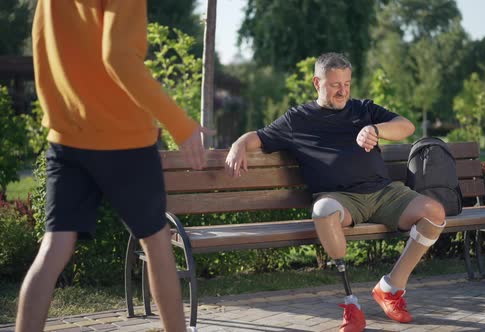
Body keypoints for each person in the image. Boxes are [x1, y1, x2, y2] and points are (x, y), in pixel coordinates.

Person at [16, 1, 212, 331]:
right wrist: (181, 125)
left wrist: (63, 115)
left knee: (53, 249)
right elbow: (118, 57)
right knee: (156, 241)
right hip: (124, 141)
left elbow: (41, 45)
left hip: (66, 137)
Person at [225, 53, 446, 332]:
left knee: (434, 212)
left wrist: (374, 128)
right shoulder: (298, 119)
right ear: (317, 82)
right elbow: (257, 137)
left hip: (383, 193)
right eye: (334, 85)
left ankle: (390, 288)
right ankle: (351, 303)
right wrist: (237, 146)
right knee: (322, 211)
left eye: (347, 84)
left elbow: (407, 126)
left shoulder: (362, 109)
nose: (342, 91)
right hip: (341, 199)